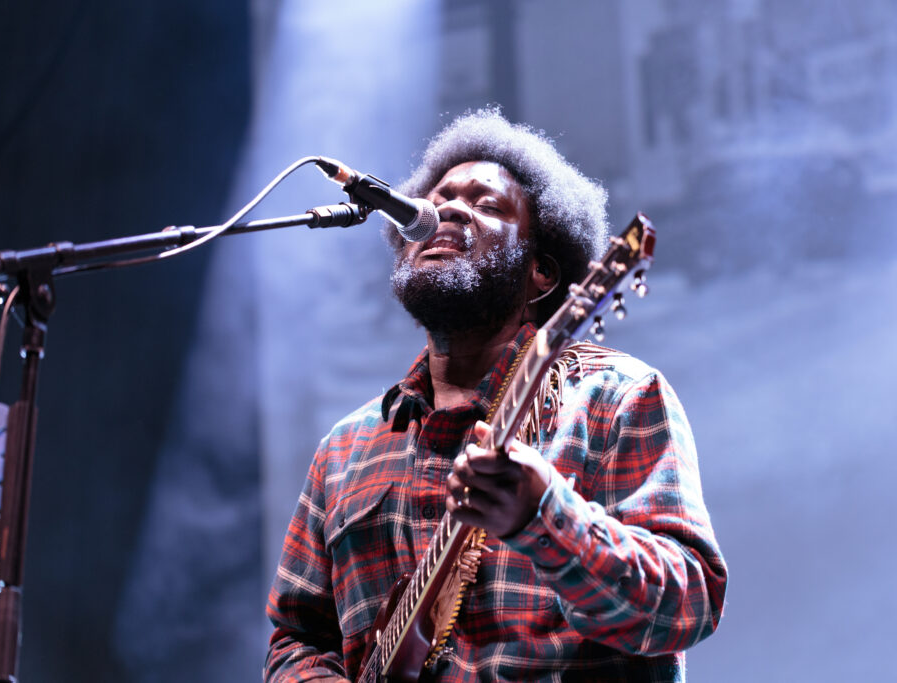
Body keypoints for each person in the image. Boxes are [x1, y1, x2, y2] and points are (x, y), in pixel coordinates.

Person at [264, 109, 727, 682]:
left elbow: (686, 604)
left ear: (543, 272)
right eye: (439, 199)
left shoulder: (618, 398)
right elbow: (298, 637)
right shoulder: (343, 450)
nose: (448, 210)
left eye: (486, 205)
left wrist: (542, 516)